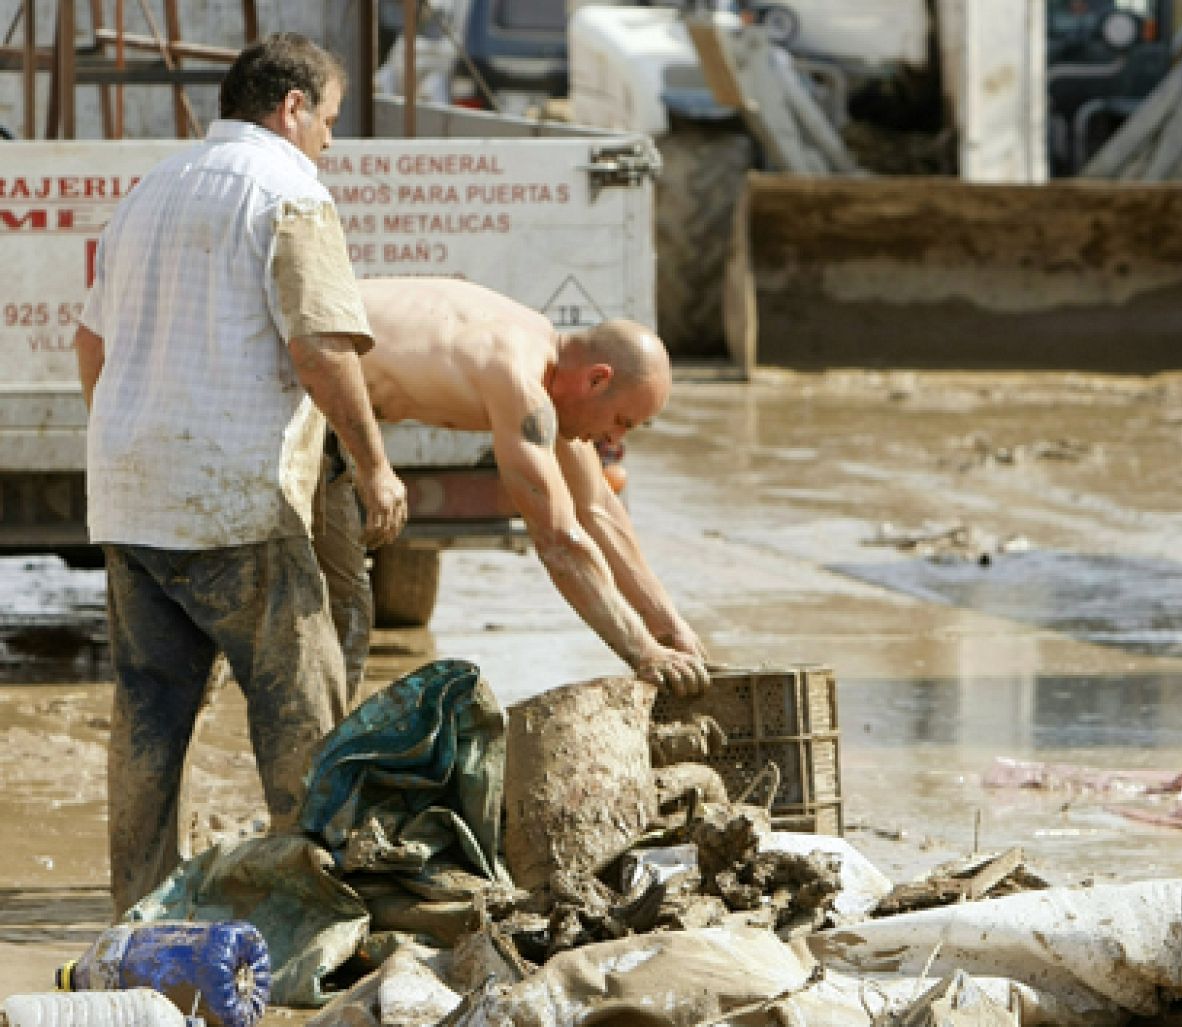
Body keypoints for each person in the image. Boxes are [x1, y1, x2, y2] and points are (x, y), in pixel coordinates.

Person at [73, 33, 408, 915]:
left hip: (130, 492)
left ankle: (136, 912)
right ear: (290, 106)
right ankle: (318, 908)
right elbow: (320, 346)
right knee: (303, 710)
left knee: (149, 710)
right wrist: (375, 466)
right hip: (235, 497)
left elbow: (90, 342)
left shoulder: (150, 189)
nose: (331, 142)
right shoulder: (291, 190)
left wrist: (127, 438)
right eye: (328, 120)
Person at [313, 276, 711, 700]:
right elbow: (559, 542)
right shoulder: (521, 381)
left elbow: (597, 508)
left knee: (343, 611)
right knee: (333, 610)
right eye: (621, 422)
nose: (614, 441)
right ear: (596, 379)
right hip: (285, 380)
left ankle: (315, 745)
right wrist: (643, 653)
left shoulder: (542, 351)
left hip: (317, 391)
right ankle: (308, 755)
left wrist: (670, 627)